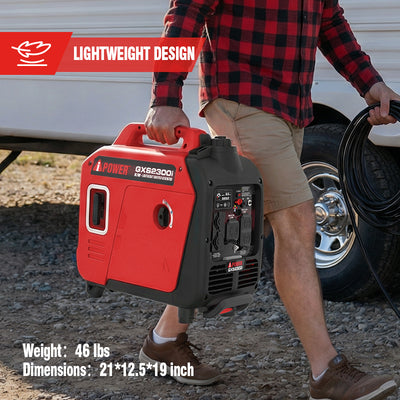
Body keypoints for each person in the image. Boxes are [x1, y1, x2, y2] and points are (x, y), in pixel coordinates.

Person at [139, 0, 400, 398]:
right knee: (296, 221)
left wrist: (371, 84)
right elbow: (186, 12)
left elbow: (329, 21)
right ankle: (326, 371)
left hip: (290, 110)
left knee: (236, 235)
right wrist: (165, 97)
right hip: (242, 100)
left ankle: (164, 340)